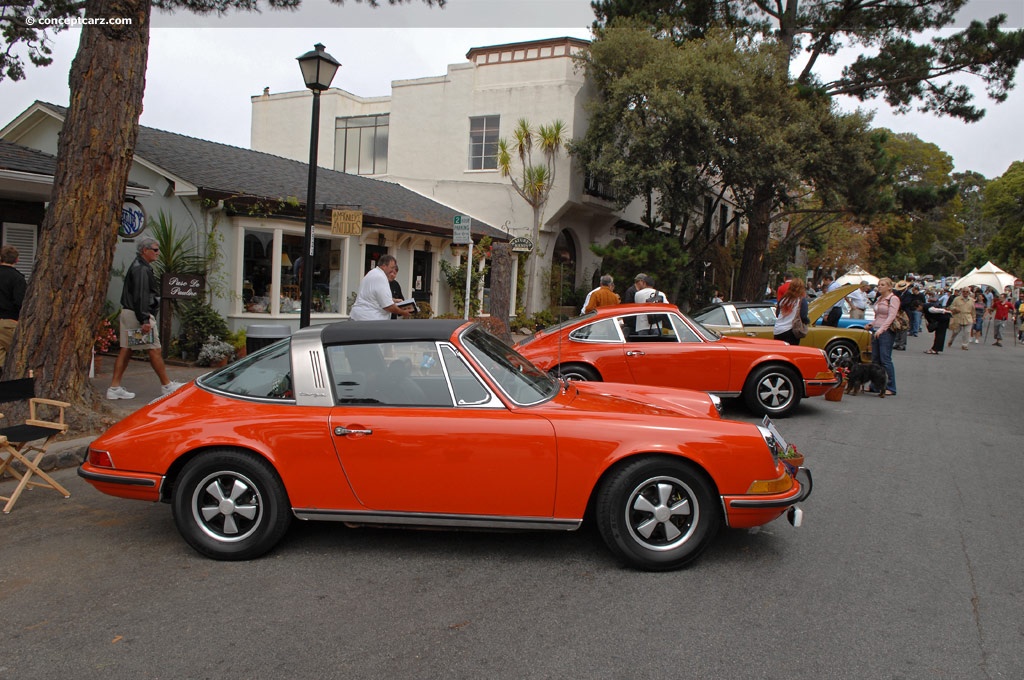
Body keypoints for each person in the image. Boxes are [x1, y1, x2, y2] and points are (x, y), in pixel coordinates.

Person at [107, 238, 183, 400]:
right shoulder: (141, 269)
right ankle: (167, 385)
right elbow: (141, 295)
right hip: (138, 314)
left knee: (127, 350)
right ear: (144, 250)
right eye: (155, 249)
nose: (158, 253)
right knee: (154, 349)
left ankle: (114, 387)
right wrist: (145, 320)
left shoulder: (139, 266)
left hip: (131, 313)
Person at [350, 254, 413, 321]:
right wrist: (403, 312)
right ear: (384, 266)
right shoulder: (381, 277)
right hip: (370, 320)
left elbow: (374, 297)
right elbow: (388, 306)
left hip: (358, 318)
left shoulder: (372, 273)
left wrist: (393, 300)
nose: (392, 271)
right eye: (391, 268)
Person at [866, 277, 899, 395]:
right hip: (876, 329)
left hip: (886, 331)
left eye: (883, 285)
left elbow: (891, 316)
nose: (879, 287)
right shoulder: (879, 299)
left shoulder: (893, 299)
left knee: (885, 359)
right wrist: (872, 324)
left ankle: (890, 386)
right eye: (879, 285)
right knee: (875, 359)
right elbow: (878, 316)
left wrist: (882, 329)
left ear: (889, 287)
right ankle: (875, 384)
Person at [0, 245, 27, 369]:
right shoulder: (17, 278)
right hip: (9, 322)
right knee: (19, 360)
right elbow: (20, 302)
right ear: (17, 260)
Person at [773, 278, 809, 346]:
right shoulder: (801, 300)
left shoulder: (783, 299)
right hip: (791, 330)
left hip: (778, 330)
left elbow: (777, 314)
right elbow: (803, 316)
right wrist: (807, 322)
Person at [923, 291, 952, 355]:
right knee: (939, 334)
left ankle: (935, 349)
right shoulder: (927, 307)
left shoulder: (928, 308)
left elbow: (937, 310)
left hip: (943, 319)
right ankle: (935, 348)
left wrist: (946, 311)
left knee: (940, 334)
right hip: (943, 319)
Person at [892, 280, 911, 350]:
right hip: (898, 312)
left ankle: (902, 344)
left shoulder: (908, 294)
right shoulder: (898, 293)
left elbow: (907, 302)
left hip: (904, 312)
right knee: (897, 327)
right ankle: (897, 343)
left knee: (903, 329)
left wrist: (898, 305)